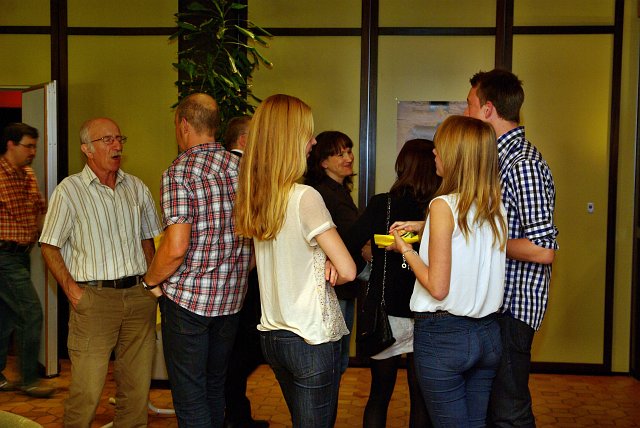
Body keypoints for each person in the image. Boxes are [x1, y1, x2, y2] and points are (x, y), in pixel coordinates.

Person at [233, 94, 356, 428]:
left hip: (274, 336)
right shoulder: (305, 196)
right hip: (309, 336)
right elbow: (348, 270)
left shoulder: (256, 194)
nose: (313, 142)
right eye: (307, 134)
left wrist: (323, 261)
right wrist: (330, 264)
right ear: (289, 140)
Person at [40, 117, 161, 426]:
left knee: (136, 390)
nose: (116, 145)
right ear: (87, 149)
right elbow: (49, 246)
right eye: (107, 140)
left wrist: (151, 285)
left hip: (138, 298)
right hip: (93, 300)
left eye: (119, 138)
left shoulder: (136, 187)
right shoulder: (69, 191)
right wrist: (74, 293)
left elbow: (148, 238)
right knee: (87, 391)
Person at [142, 93, 252, 428]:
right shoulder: (243, 169)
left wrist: (150, 281)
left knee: (190, 396)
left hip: (188, 302)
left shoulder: (180, 172)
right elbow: (257, 238)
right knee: (214, 387)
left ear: (184, 125)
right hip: (231, 301)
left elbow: (176, 247)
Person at [391, 115, 507, 426]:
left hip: (445, 337)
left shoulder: (442, 205)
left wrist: (405, 250)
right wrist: (424, 226)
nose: (434, 153)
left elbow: (437, 287)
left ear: (455, 156)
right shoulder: (494, 205)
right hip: (488, 335)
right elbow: (467, 237)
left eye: (439, 147)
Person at [464, 69, 558, 427]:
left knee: (509, 411)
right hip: (497, 306)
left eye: (470, 105)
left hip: (513, 309)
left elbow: (542, 249)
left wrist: (480, 240)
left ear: (488, 109)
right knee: (495, 409)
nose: (465, 112)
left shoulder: (524, 165)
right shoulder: (499, 160)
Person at [346, 139, 438, 428]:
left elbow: (348, 242)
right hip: (428, 311)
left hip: (387, 314)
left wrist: (368, 260)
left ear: (402, 166)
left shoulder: (382, 204)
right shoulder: (441, 207)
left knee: (379, 394)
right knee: (421, 398)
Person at [0, 123, 54, 398]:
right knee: (31, 311)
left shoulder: (28, 175)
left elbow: (39, 212)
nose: (33, 152)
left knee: (7, 316)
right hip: (3, 256)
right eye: (28, 146)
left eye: (35, 146)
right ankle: (29, 379)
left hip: (22, 255)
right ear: (11, 144)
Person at [222, 115, 269, 428]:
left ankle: (236, 413)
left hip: (228, 276)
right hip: (245, 275)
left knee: (237, 350)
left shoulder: (223, 170)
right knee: (243, 349)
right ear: (243, 140)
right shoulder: (246, 172)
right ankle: (234, 414)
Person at [305, 130, 359, 375]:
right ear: (323, 162)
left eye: (349, 151)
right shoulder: (320, 194)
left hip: (345, 284)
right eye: (340, 154)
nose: (348, 157)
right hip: (333, 284)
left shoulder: (339, 190)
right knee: (333, 361)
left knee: (339, 360)